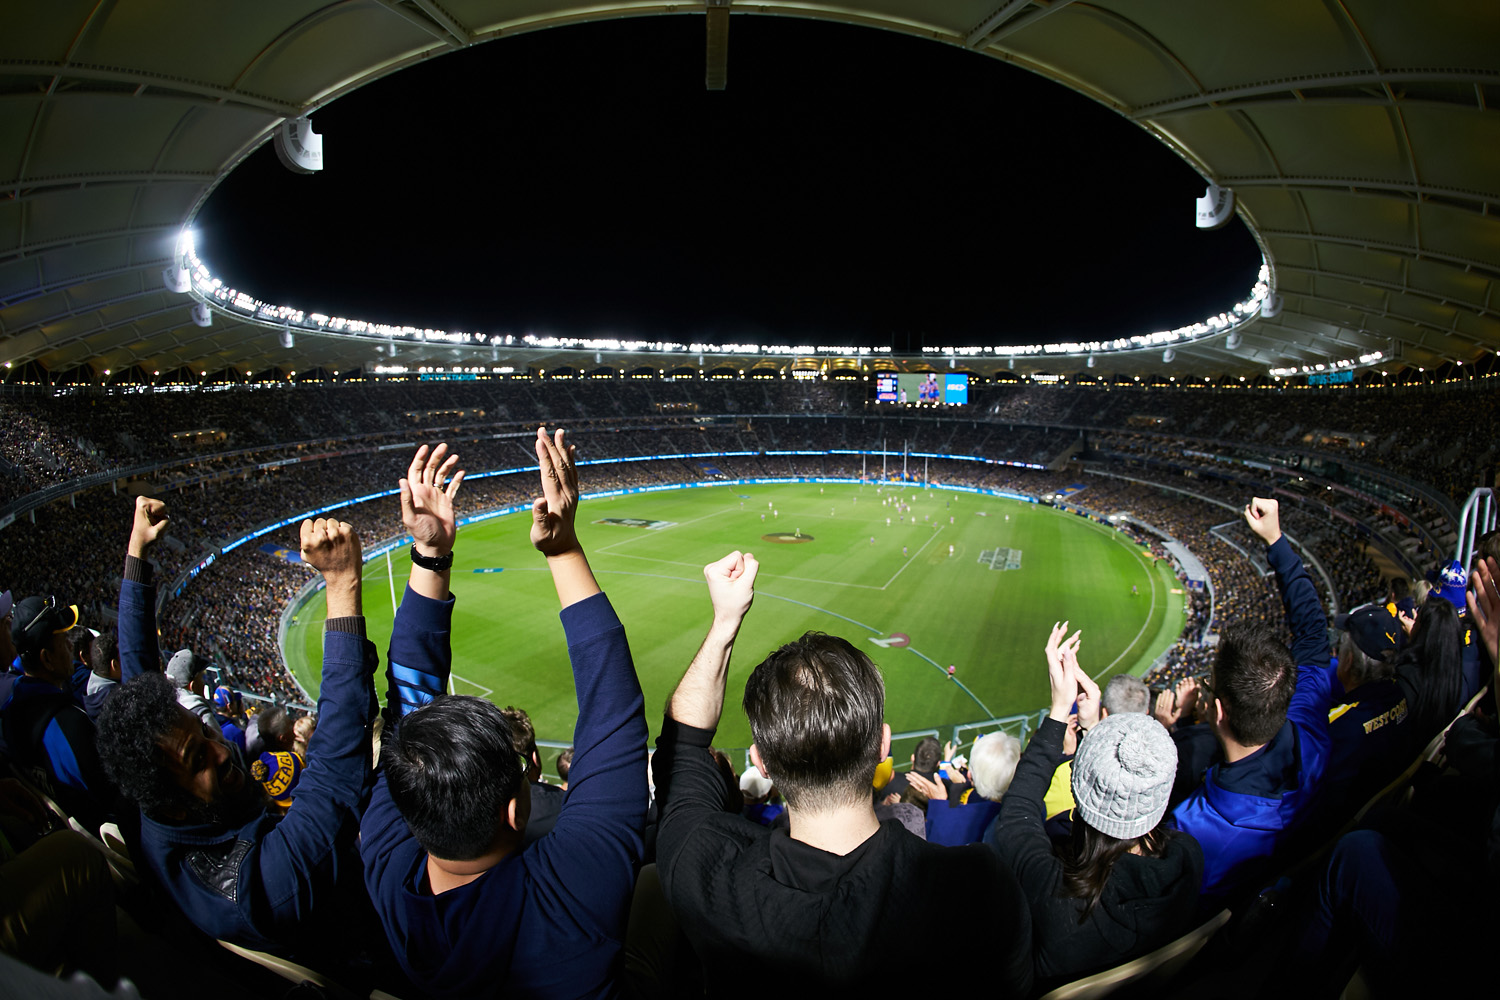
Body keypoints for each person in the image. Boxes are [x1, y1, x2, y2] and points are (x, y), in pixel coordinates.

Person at [650, 550, 1033, 994]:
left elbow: (681, 750)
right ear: (883, 747)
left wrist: (723, 627)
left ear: (762, 761)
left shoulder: (703, 872)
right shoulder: (979, 888)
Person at [361, 430, 649, 998]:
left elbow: (612, 706)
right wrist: (562, 547)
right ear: (514, 808)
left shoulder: (385, 864)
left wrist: (429, 556)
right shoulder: (573, 892)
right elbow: (614, 706)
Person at [99, 493, 383, 960]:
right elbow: (334, 775)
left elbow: (138, 674)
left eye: (204, 733)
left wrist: (137, 553)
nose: (220, 749)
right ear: (171, 804)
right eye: (198, 759)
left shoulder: (152, 796)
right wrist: (341, 586)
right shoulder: (262, 885)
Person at [991, 624, 1202, 989]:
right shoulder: (1188, 858)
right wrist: (1095, 730)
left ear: (1080, 792)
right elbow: (1128, 780)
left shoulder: (1058, 898)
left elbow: (1017, 814)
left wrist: (1060, 710)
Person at [1171, 497, 1336, 906]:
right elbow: (1314, 634)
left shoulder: (1194, 827)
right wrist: (1276, 541)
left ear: (1218, 709)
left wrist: (1170, 727)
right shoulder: (1311, 730)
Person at [1, 596, 117, 833]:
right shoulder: (70, 724)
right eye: (64, 641)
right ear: (47, 658)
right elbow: (113, 800)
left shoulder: (10, 712)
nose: (70, 649)